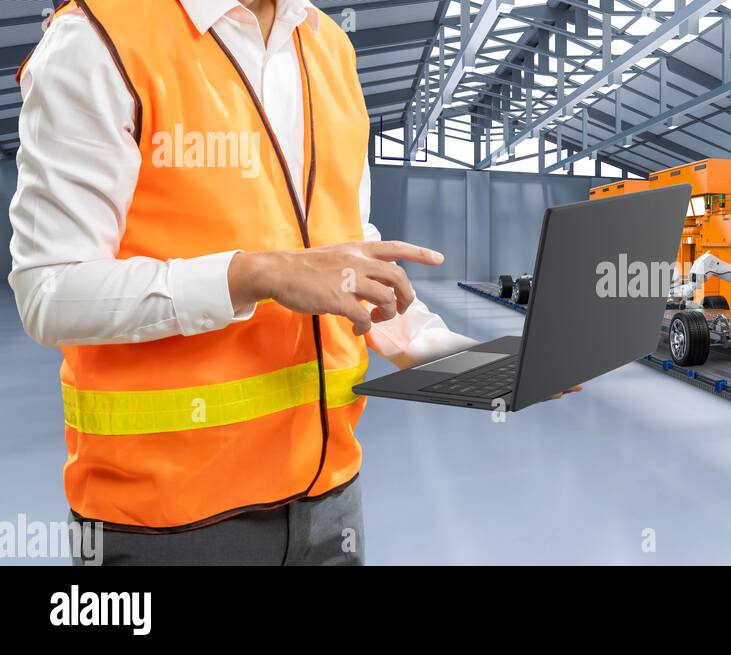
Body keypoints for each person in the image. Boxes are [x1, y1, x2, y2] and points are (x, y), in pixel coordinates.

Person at [9, 0, 484, 565]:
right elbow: (50, 292)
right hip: (168, 518)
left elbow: (343, 246)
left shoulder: (330, 44)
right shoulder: (98, 37)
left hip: (330, 497)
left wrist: (456, 361)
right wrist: (252, 274)